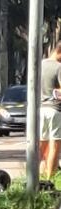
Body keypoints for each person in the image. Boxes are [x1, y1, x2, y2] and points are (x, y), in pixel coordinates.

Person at [40, 42, 61, 180]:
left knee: (42, 144)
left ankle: (39, 175)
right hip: (54, 109)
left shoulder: (40, 65)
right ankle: (50, 177)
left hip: (40, 109)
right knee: (55, 145)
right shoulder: (59, 67)